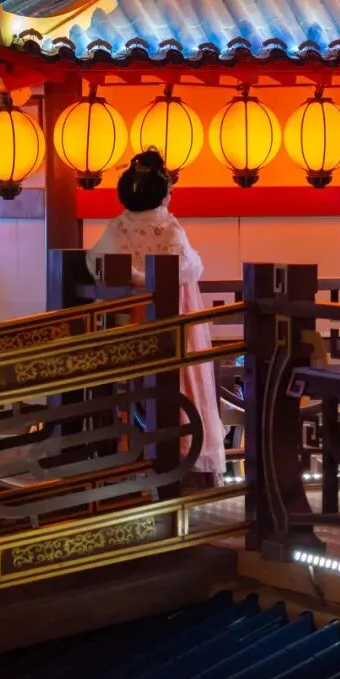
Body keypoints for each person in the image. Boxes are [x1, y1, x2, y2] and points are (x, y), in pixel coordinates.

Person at [87, 149, 226, 479]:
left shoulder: (117, 227)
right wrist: (152, 278)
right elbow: (188, 268)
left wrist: (134, 279)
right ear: (164, 192)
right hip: (169, 319)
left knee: (130, 385)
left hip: (126, 320)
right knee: (180, 379)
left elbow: (95, 263)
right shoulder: (168, 226)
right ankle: (178, 451)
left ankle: (127, 451)